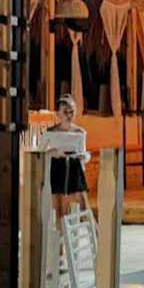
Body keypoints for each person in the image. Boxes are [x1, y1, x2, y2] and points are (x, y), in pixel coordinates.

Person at [46, 95, 89, 224]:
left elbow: (84, 154)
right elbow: (42, 152)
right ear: (58, 113)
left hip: (74, 169)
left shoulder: (79, 132)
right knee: (58, 207)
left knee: (82, 204)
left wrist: (83, 156)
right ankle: (60, 231)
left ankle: (88, 227)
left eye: (72, 112)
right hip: (57, 168)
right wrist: (56, 152)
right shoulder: (50, 132)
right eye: (66, 112)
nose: (69, 115)